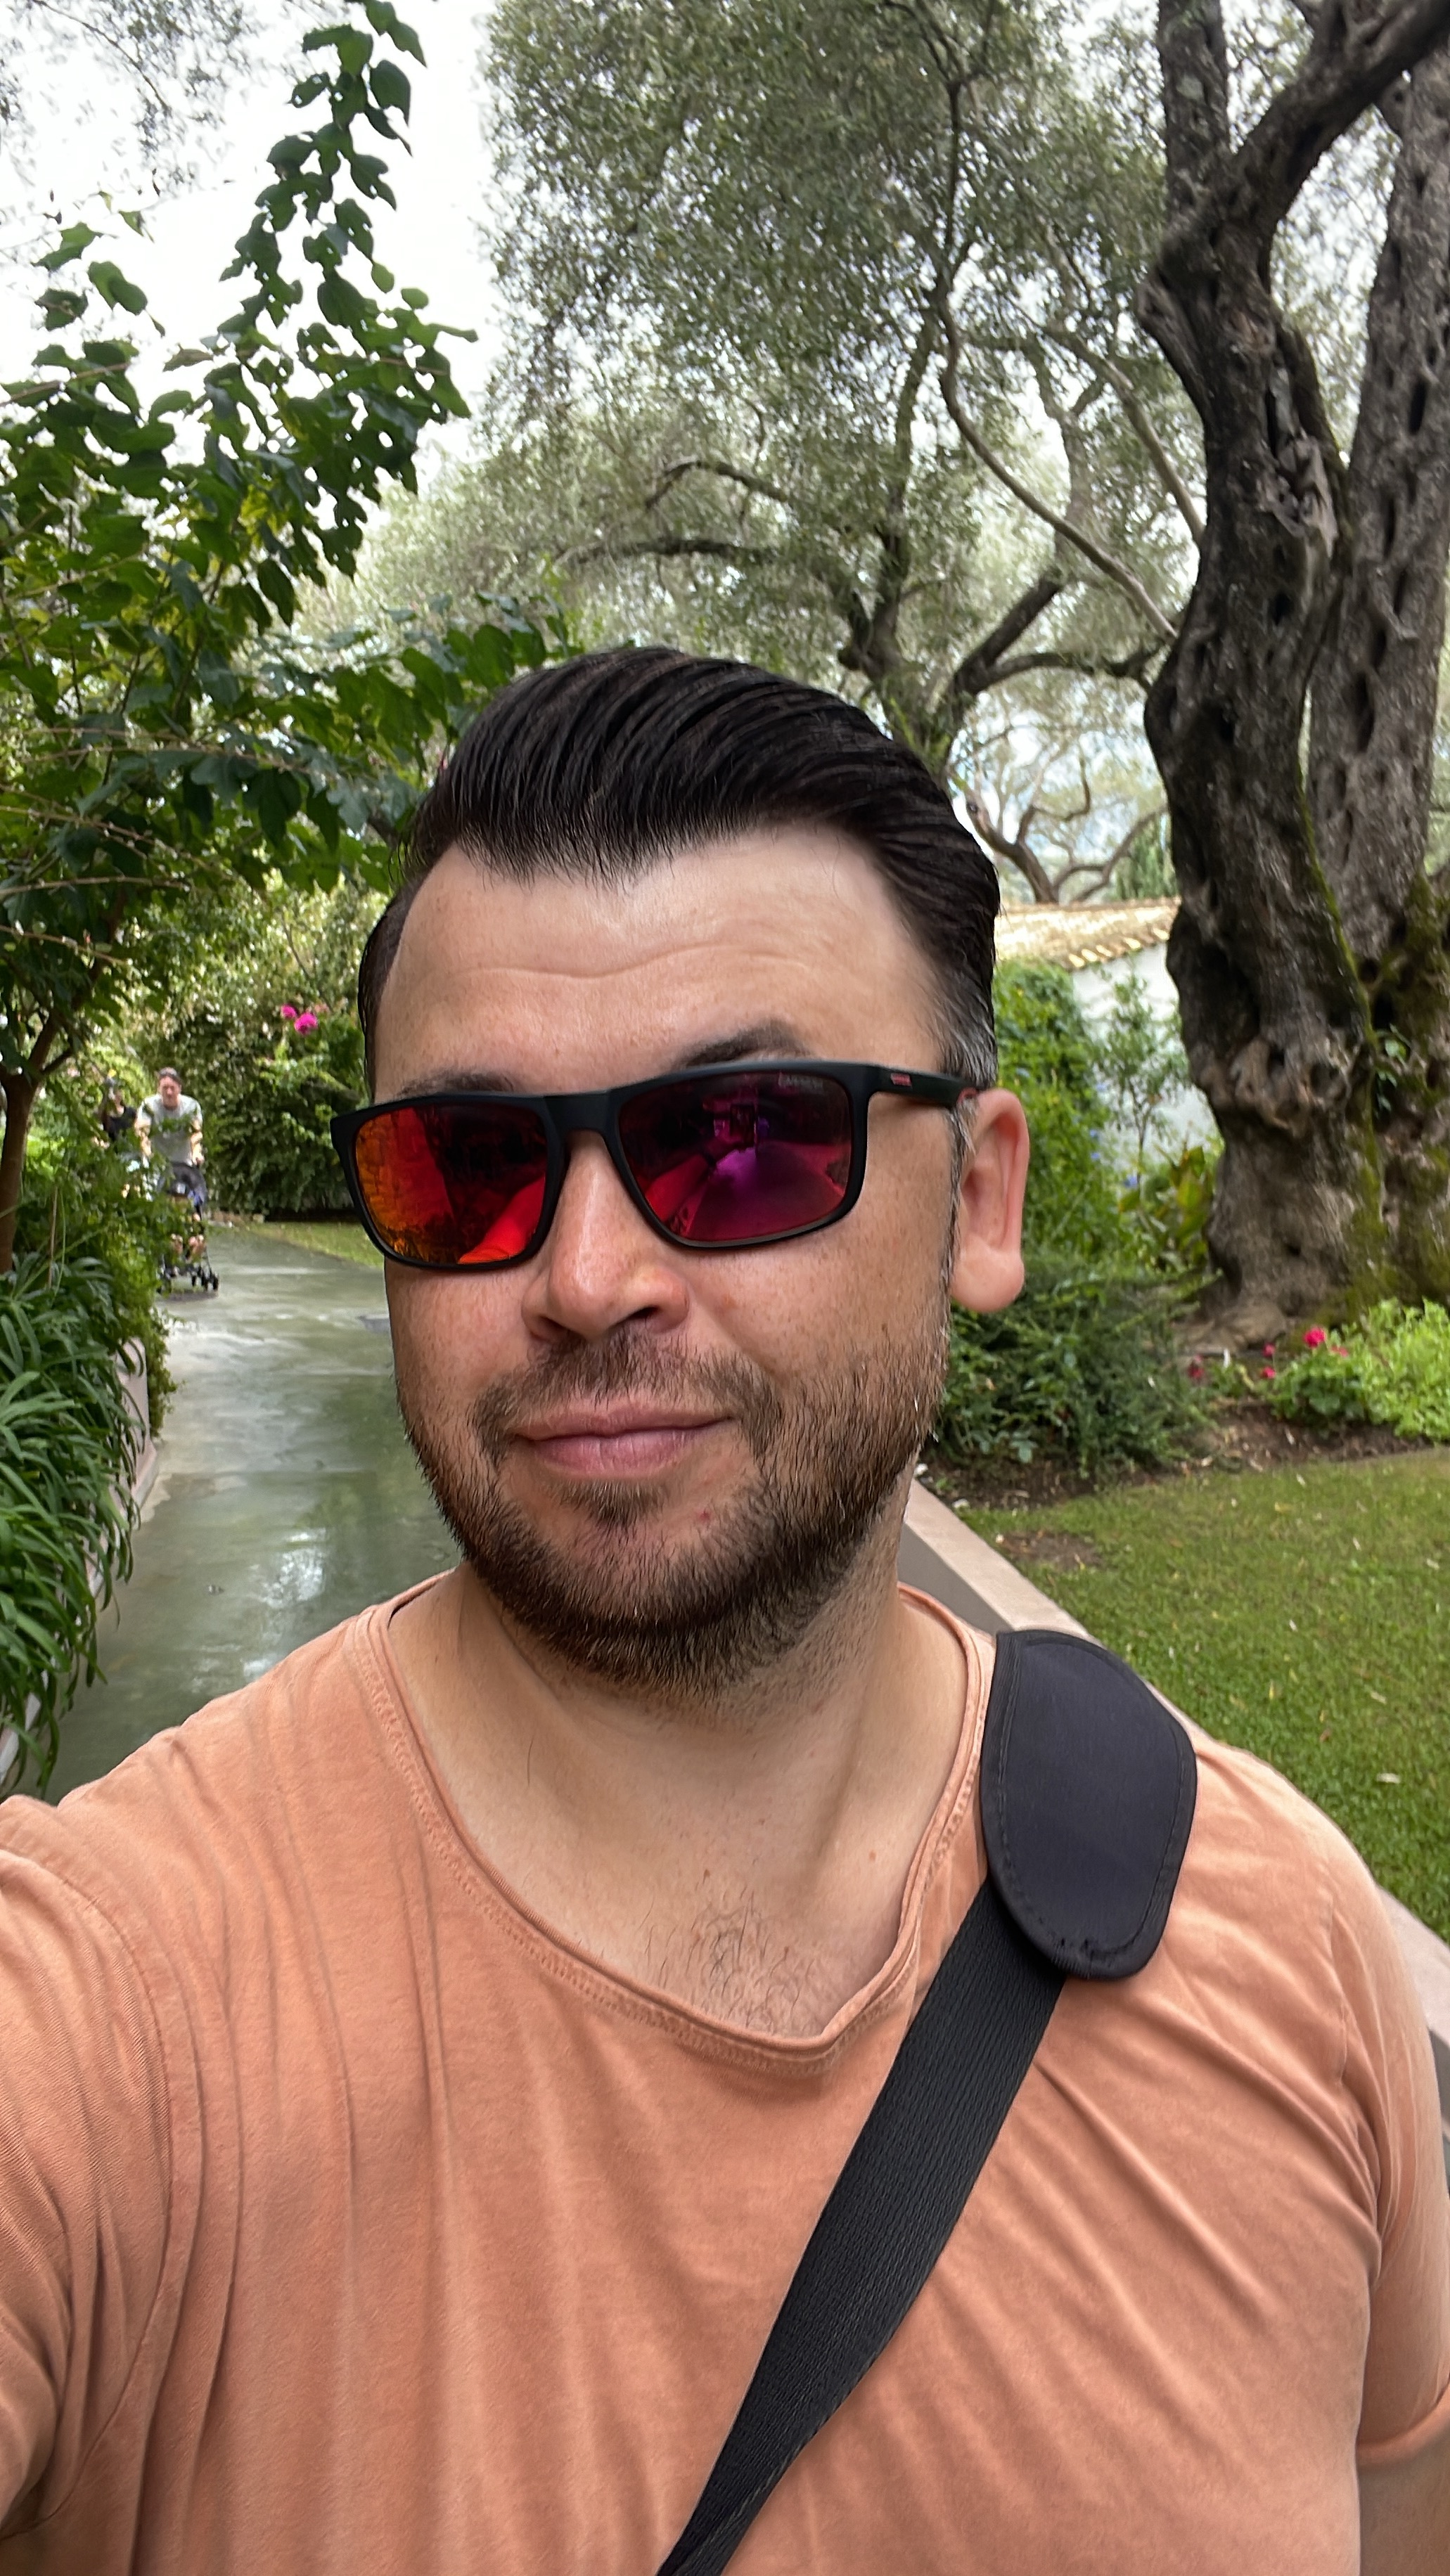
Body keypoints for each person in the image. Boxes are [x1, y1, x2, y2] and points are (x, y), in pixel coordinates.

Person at [0, 650, 1446, 2576]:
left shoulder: (1281, 1954)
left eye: (744, 1136)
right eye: (468, 1166)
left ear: (978, 1199)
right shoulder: (114, 2005)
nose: (586, 1275)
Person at [136, 1067, 205, 1208]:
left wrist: (196, 1152)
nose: (169, 1092)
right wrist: (146, 1150)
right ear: (159, 1089)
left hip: (183, 1162)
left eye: (172, 1088)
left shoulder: (191, 1106)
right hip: (156, 1162)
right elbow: (143, 1133)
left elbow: (196, 1134)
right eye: (165, 1088)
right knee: (152, 1201)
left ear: (179, 1088)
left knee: (190, 1199)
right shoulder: (149, 1106)